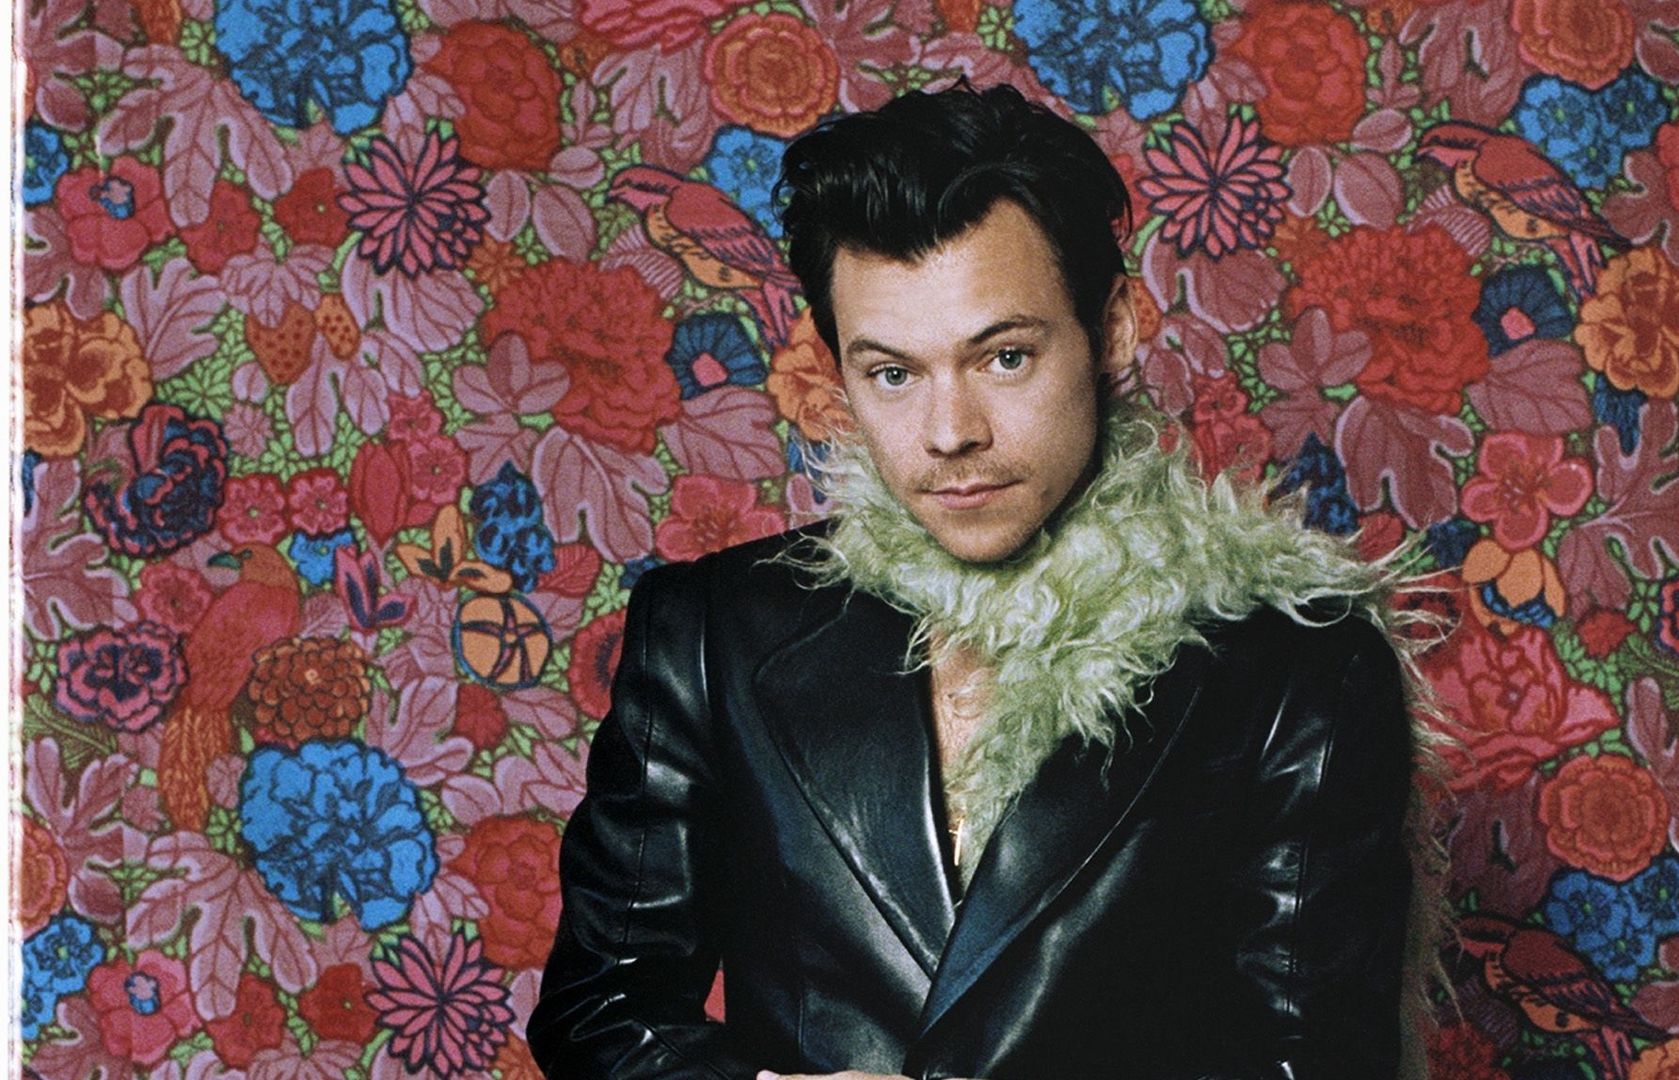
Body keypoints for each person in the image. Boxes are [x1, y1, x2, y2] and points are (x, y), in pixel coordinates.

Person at [528, 83, 1442, 1080]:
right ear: (837, 370)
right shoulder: (710, 633)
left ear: (1113, 328)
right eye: (892, 374)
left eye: (1004, 357)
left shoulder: (1298, 666)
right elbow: (601, 1011)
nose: (950, 432)